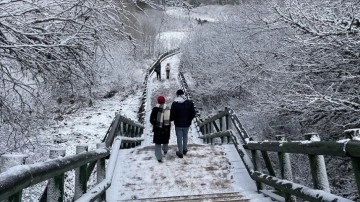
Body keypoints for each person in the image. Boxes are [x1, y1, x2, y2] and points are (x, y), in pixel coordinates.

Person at [170, 89, 196, 158]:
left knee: (179, 138)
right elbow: (193, 113)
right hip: (187, 123)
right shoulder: (189, 103)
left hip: (178, 124)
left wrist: (170, 120)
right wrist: (189, 119)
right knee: (185, 136)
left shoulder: (175, 103)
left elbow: (172, 115)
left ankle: (180, 152)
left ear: (177, 95)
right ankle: (184, 149)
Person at [150, 95, 171, 163]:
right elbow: (171, 118)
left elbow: (151, 119)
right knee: (165, 139)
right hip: (166, 128)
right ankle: (165, 150)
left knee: (158, 142)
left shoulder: (155, 109)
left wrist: (156, 123)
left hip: (158, 128)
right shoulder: (168, 108)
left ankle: (159, 157)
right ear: (164, 101)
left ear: (158, 101)